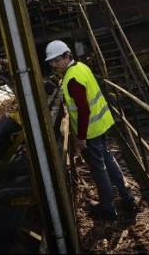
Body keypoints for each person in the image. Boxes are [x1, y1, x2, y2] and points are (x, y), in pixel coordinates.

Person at [44, 40, 136, 220]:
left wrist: (81, 137)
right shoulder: (81, 67)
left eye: (56, 60)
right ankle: (127, 197)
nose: (53, 65)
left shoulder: (72, 79)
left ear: (67, 56)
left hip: (90, 132)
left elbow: (84, 109)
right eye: (51, 62)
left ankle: (108, 208)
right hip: (101, 125)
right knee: (108, 160)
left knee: (98, 169)